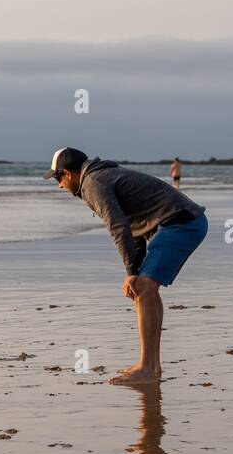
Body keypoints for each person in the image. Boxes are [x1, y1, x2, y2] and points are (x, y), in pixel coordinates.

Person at [46, 147, 207, 385]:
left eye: (58, 178)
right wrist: (133, 270)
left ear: (68, 174)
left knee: (142, 287)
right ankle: (151, 366)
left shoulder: (93, 183)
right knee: (145, 289)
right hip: (183, 222)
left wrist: (132, 273)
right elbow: (133, 227)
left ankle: (148, 368)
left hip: (181, 224)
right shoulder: (99, 177)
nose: (58, 184)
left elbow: (118, 226)